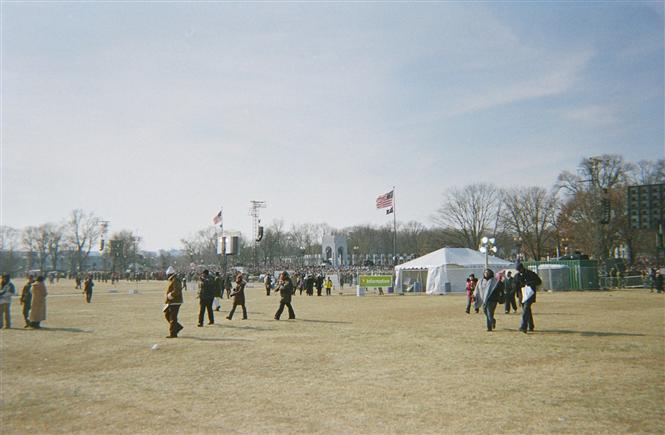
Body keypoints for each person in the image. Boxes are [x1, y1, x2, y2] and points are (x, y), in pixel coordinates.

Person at [515, 262, 542, 334]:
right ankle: (531, 326)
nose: (519, 271)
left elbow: (539, 281)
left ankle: (523, 326)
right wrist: (519, 297)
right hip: (522, 295)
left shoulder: (530, 273)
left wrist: (530, 283)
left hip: (530, 294)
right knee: (527, 310)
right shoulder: (517, 276)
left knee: (526, 309)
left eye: (519, 269)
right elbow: (516, 287)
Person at [164, 266, 184, 338]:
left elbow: (177, 291)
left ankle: (173, 333)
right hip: (172, 301)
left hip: (175, 301)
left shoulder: (175, 280)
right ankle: (177, 327)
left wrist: (170, 295)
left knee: (173, 317)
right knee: (167, 314)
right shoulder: (173, 279)